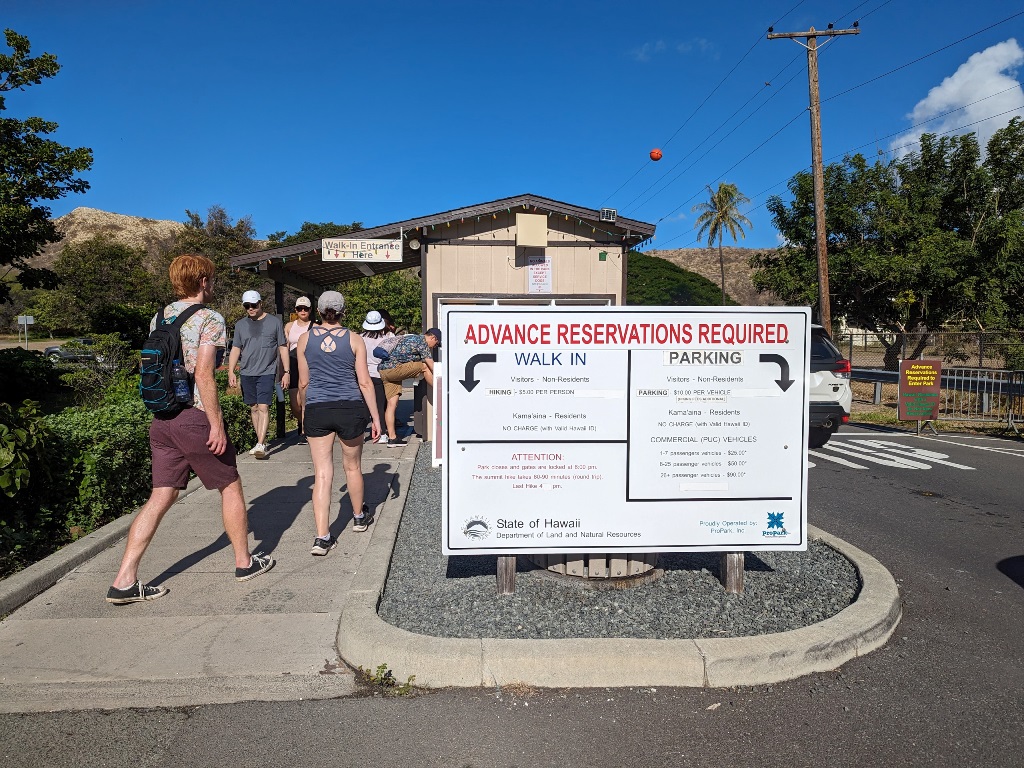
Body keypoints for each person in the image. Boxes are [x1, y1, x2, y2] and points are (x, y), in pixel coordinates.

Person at [106, 255, 275, 604]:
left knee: (161, 495)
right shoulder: (209, 318)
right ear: (201, 281)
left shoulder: (159, 316)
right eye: (210, 280)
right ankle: (244, 563)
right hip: (195, 416)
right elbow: (203, 374)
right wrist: (216, 423)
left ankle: (124, 580)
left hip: (163, 417)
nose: (212, 285)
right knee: (230, 485)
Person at [297, 290, 380, 555]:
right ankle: (358, 517)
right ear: (343, 311)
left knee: (322, 473)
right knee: (353, 467)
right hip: (350, 408)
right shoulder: (355, 340)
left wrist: (303, 415)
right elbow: (365, 382)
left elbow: (303, 383)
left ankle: (322, 537)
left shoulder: (304, 339)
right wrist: (376, 418)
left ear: (318, 311)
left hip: (318, 408)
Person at [227, 290, 288, 459]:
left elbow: (283, 347)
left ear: (261, 303)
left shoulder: (274, 322)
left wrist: (286, 371)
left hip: (267, 371)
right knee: (253, 407)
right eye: (247, 306)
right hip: (247, 371)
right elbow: (236, 348)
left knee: (263, 407)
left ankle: (261, 443)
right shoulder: (240, 325)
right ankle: (259, 442)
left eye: (253, 305)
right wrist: (231, 370)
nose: (251, 309)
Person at [377, 328, 441, 447]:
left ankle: (392, 439)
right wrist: (444, 378)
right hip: (394, 369)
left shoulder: (409, 338)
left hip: (383, 370)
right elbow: (431, 365)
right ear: (433, 338)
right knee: (425, 366)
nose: (434, 347)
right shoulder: (422, 342)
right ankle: (440, 390)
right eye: (436, 344)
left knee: (391, 405)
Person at [360, 309, 394, 445]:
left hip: (363, 375)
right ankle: (383, 434)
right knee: (380, 405)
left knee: (363, 406)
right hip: (380, 375)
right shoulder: (387, 338)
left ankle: (360, 432)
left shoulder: (360, 338)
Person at [284, 295, 314, 443]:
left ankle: (304, 429)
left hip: (309, 364)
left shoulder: (315, 326)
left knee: (306, 397)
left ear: (310, 310)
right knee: (295, 402)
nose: (303, 311)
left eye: (305, 308)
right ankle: (301, 421)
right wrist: (285, 370)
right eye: (299, 308)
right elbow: (285, 348)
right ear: (295, 310)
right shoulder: (289, 326)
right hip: (293, 363)